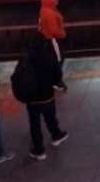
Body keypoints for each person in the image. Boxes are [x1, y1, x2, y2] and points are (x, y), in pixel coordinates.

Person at [20, 30, 69, 160]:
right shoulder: (48, 57)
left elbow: (17, 76)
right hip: (47, 95)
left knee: (34, 124)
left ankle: (39, 150)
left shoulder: (25, 59)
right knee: (50, 117)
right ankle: (56, 135)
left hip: (32, 98)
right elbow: (57, 74)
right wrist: (55, 83)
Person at [38, 0, 67, 90]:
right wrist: (62, 34)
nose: (57, 1)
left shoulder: (45, 10)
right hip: (53, 39)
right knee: (58, 59)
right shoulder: (49, 13)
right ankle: (57, 81)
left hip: (48, 39)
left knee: (55, 59)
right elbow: (53, 30)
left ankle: (54, 80)